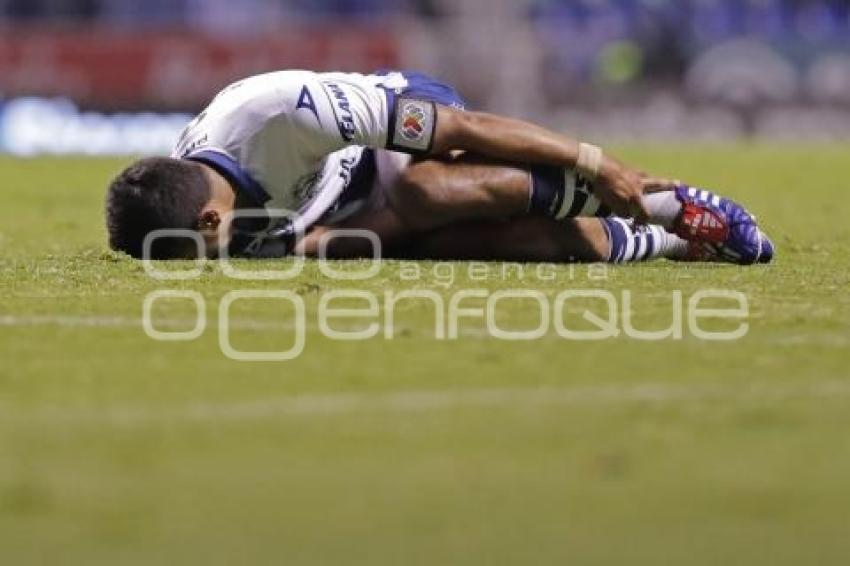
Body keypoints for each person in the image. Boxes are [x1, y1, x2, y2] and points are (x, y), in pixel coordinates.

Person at [105, 69, 774, 264]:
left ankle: (660, 198)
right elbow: (315, 241)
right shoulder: (212, 220)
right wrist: (388, 238)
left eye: (190, 255)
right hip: (352, 202)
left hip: (395, 118)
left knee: (429, 191)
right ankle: (667, 240)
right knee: (472, 242)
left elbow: (464, 128)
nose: (202, 269)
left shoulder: (281, 113)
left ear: (209, 218)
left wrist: (595, 161)